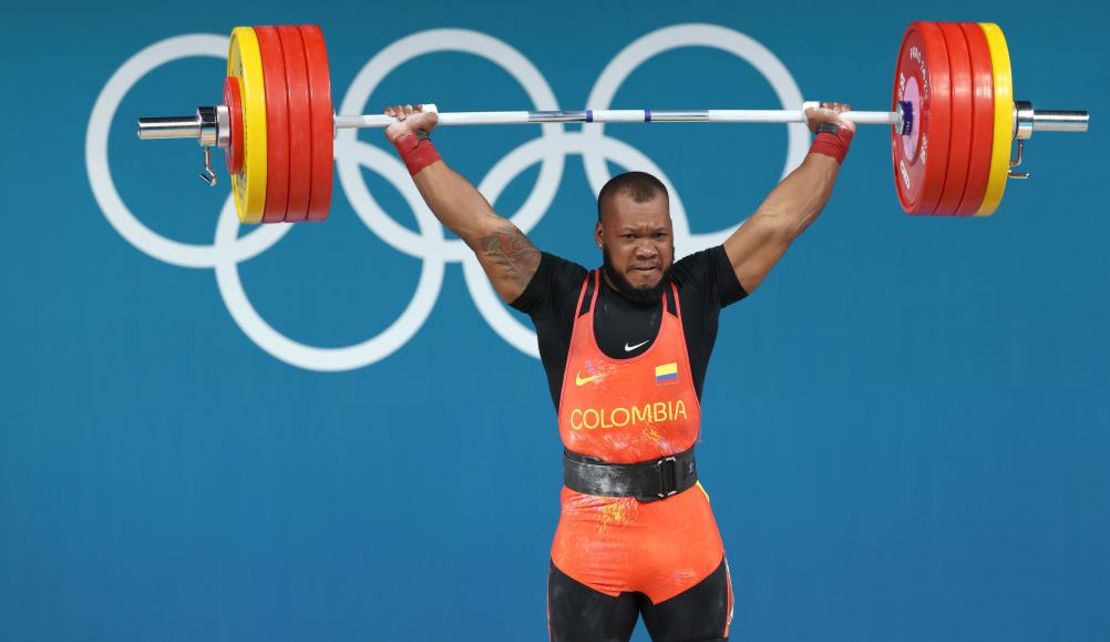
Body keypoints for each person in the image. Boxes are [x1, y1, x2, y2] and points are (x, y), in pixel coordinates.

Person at [385, 101, 855, 642]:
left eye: (658, 235)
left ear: (674, 235)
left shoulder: (696, 290)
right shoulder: (560, 297)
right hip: (591, 543)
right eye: (631, 237)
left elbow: (780, 224)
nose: (648, 250)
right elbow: (479, 227)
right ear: (601, 237)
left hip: (682, 539)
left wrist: (832, 138)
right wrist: (413, 143)